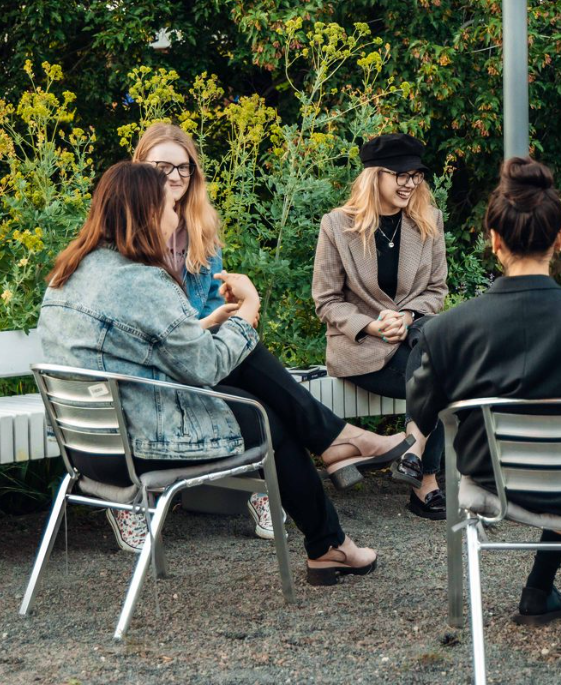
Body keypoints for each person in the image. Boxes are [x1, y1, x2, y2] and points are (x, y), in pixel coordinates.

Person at [38, 161, 414, 583]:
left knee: (252, 385)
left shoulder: (68, 273)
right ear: (146, 214)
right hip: (140, 444)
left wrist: (210, 324)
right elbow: (204, 367)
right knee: (267, 420)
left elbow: (133, 349)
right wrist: (247, 312)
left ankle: (333, 467)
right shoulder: (141, 282)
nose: (176, 215)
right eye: (169, 207)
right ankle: (329, 522)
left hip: (87, 451)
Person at [131, 124, 408, 542]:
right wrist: (242, 315)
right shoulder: (126, 243)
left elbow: (203, 316)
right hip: (153, 378)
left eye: (183, 169)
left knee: (266, 407)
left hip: (197, 362)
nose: (174, 177)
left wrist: (226, 315)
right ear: (139, 171)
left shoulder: (200, 233)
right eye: (162, 166)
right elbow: (154, 334)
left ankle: (326, 533)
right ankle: (330, 457)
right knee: (260, 392)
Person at [407, 157, 561, 624]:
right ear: (560, 238)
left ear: (494, 242)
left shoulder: (448, 330)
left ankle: (538, 590)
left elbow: (422, 409)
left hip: (496, 483)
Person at [312, 133, 448, 518]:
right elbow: (326, 300)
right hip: (363, 351)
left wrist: (406, 317)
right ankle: (424, 480)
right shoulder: (337, 226)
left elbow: (436, 290)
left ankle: (413, 460)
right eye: (399, 174)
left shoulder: (429, 222)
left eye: (416, 175)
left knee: (435, 351)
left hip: (414, 340)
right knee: (441, 369)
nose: (409, 183)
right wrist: (373, 326)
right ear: (374, 176)